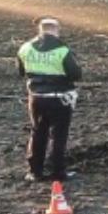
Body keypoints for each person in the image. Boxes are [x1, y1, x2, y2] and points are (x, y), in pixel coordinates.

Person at [17, 17, 82, 182]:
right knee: (59, 135)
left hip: (36, 98)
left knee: (38, 132)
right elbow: (76, 74)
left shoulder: (25, 48)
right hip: (59, 98)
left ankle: (34, 172)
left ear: (40, 29)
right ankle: (58, 172)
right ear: (56, 29)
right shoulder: (63, 50)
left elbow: (21, 71)